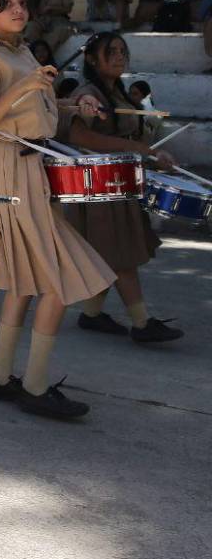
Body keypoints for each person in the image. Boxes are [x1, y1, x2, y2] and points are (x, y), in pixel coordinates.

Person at [0, 0, 115, 420]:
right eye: (6, 4)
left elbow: (30, 113)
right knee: (57, 280)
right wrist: (21, 88)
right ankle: (34, 386)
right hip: (3, 166)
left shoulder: (19, 51)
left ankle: (0, 376)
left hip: (26, 164)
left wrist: (70, 107)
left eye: (22, 2)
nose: (18, 9)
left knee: (27, 278)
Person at [61, 34, 182, 343]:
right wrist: (143, 149)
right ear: (91, 59)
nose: (119, 57)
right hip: (99, 188)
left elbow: (130, 143)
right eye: (110, 52)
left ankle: (91, 314)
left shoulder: (118, 94)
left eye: (121, 52)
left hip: (119, 184)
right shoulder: (88, 93)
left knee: (109, 253)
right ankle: (141, 322)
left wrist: (153, 156)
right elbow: (81, 137)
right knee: (120, 255)